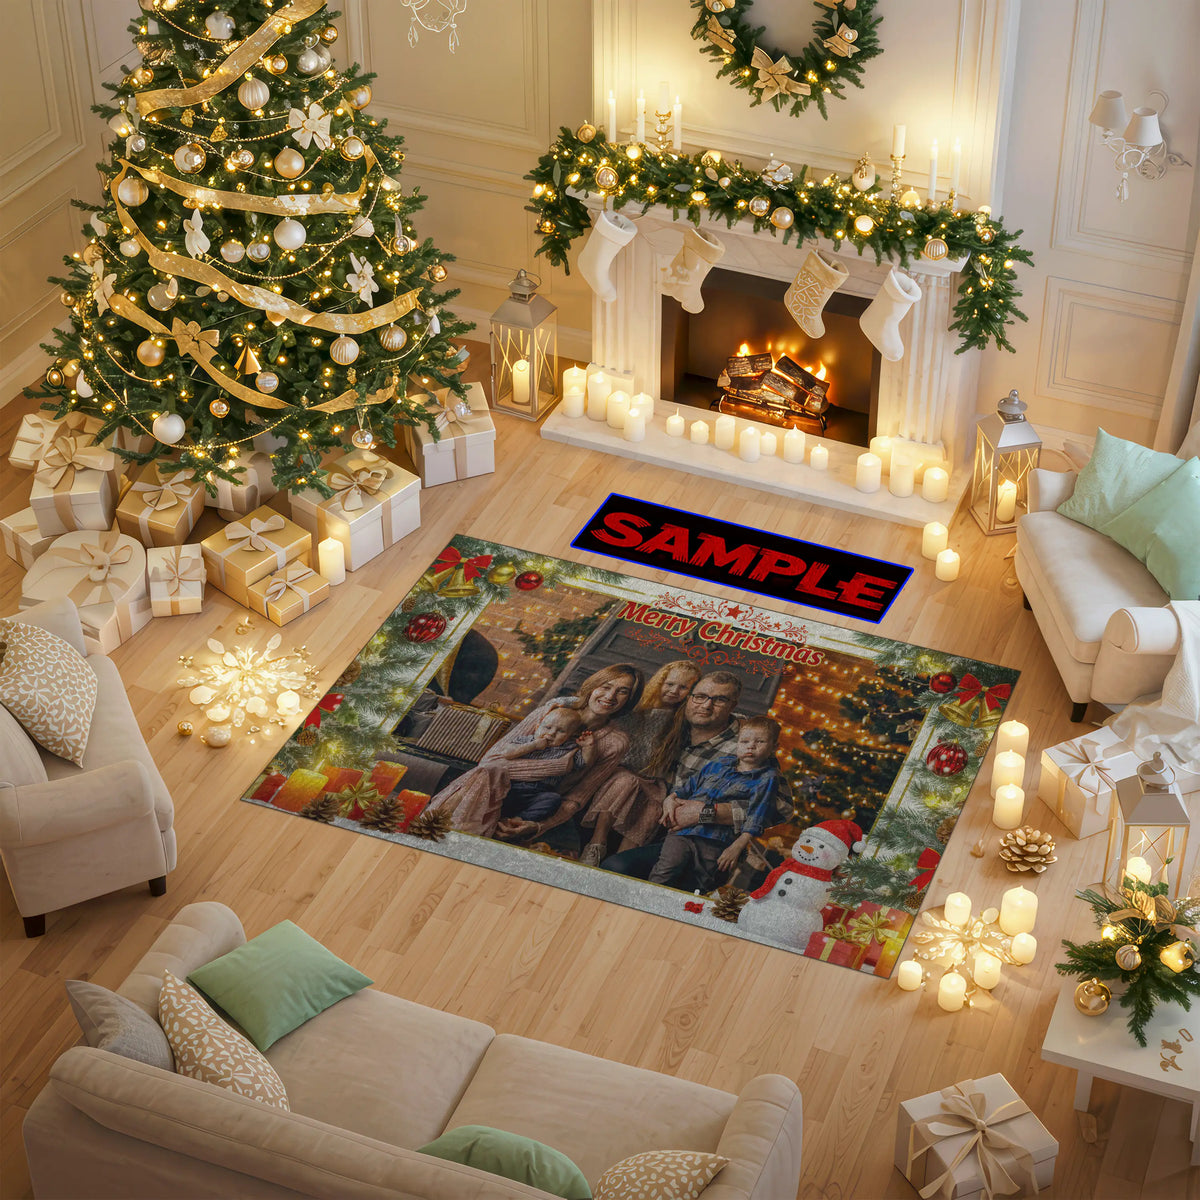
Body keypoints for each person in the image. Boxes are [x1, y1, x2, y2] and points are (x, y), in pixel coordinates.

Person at [432, 663, 643, 841]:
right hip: (495, 785)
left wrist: (535, 826)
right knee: (481, 778)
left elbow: (576, 798)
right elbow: (491, 761)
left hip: (536, 803)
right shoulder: (554, 710)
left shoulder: (616, 742)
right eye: (605, 687)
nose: (610, 696)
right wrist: (559, 766)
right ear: (593, 687)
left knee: (550, 800)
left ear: (629, 699)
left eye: (623, 691)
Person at [600, 670, 747, 882]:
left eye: (720, 700)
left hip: (696, 841)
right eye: (700, 696)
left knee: (616, 867)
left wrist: (705, 813)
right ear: (689, 697)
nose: (706, 705)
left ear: (732, 706)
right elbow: (617, 715)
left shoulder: (746, 746)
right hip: (652, 819)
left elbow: (775, 809)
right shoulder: (674, 726)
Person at [577, 659, 701, 866]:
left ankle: (620, 859)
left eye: (683, 688)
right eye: (669, 684)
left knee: (653, 808)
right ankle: (597, 844)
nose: (674, 691)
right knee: (625, 782)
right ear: (660, 681)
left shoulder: (682, 721)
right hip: (621, 771)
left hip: (651, 779)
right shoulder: (637, 707)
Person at [648, 717, 783, 892]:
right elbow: (688, 787)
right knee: (664, 871)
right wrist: (670, 799)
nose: (751, 746)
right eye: (745, 741)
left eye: (760, 741)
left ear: (774, 747)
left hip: (716, 841)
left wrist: (737, 847)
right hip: (683, 832)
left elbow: (757, 815)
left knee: (699, 884)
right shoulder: (718, 764)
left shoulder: (768, 778)